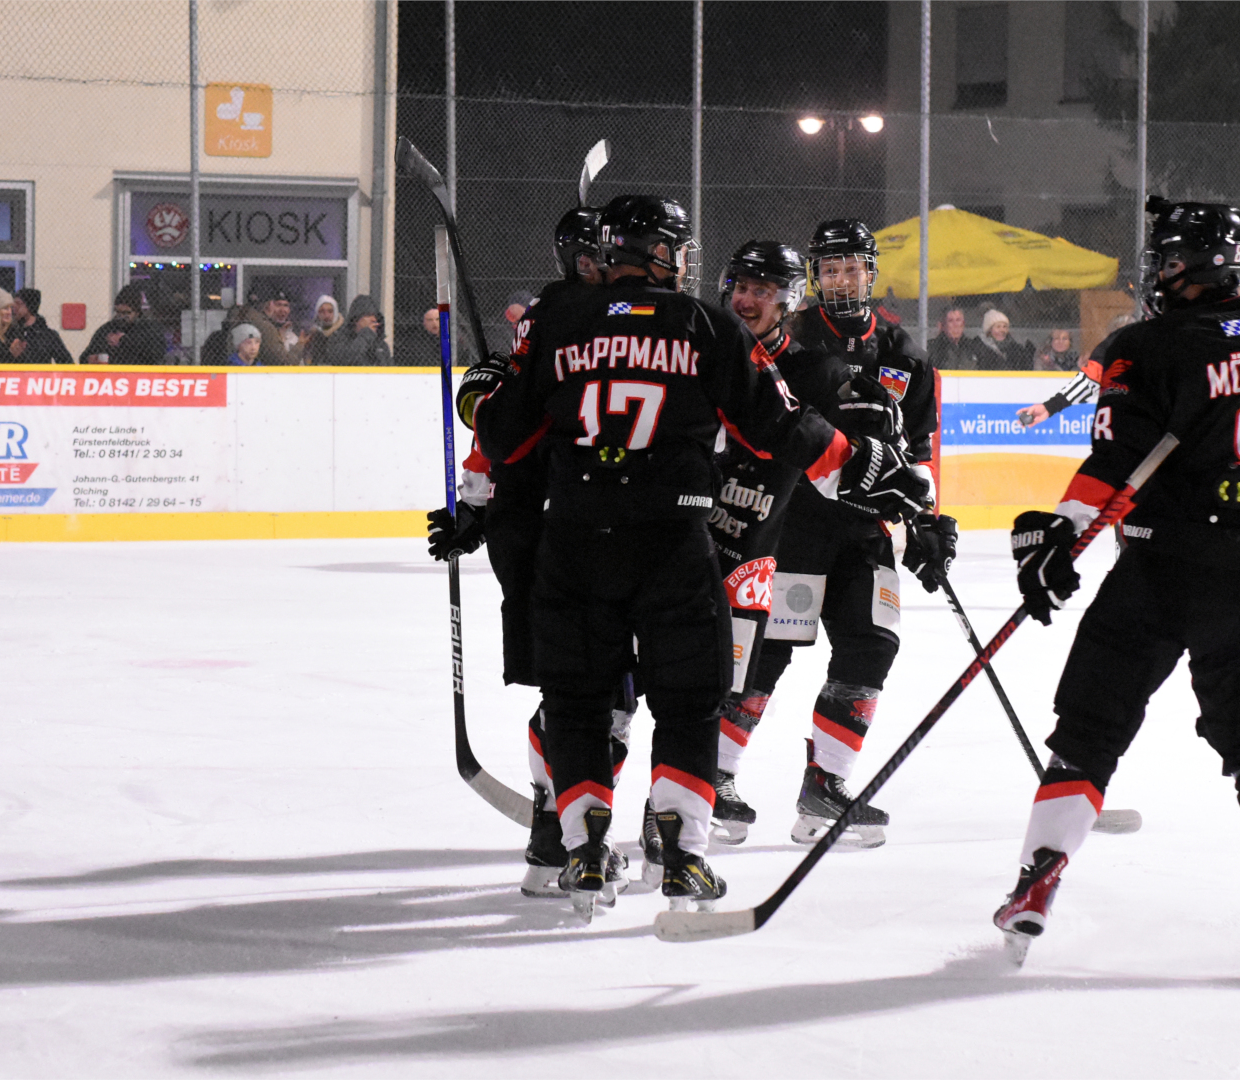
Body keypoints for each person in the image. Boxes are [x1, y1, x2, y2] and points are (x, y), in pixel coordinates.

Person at [465, 194, 928, 920]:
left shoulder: (556, 322)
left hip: (576, 539)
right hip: (675, 542)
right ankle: (682, 857)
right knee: (689, 701)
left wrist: (479, 401)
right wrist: (867, 468)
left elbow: (503, 442)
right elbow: (783, 427)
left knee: (584, 701)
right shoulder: (705, 326)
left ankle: (579, 849)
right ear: (664, 254)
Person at [995, 198, 1240, 966]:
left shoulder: (1148, 346)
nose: (1158, 271)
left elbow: (1112, 464)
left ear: (1189, 264)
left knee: (1086, 734)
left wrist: (1057, 534)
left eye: (1166, 258)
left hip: (1160, 571)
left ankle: (1039, 875)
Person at [431, 205, 630, 901]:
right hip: (562, 528)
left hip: (552, 526)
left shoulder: (558, 321)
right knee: (596, 691)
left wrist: (473, 502)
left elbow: (497, 426)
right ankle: (564, 834)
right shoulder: (572, 322)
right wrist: (476, 500)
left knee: (585, 689)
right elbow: (506, 428)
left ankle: (559, 833)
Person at [736, 218, 948, 850]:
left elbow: (921, 447)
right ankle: (712, 779)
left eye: (852, 267)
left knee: (872, 646)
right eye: (829, 270)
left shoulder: (903, 351)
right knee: (766, 653)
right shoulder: (789, 338)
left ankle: (825, 788)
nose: (841, 279)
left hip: (866, 530)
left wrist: (929, 520)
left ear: (871, 272)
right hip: (793, 525)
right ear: (813, 279)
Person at [700, 239, 813, 847]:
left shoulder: (809, 370)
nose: (745, 299)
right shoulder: (705, 347)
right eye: (740, 287)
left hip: (756, 552)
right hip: (686, 539)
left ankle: (711, 781)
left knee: (739, 676)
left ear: (787, 301)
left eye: (761, 292)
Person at [83, 285, 167, 365]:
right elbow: (85, 356)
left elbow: (157, 352)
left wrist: (123, 340)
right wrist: (90, 358)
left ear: (137, 313)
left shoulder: (149, 329)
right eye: (118, 312)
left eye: (126, 313)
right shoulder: (107, 329)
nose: (121, 317)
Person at [321, 295, 391, 367]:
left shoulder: (381, 345)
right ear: (356, 319)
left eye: (375, 316)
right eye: (368, 315)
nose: (374, 319)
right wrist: (366, 334)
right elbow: (345, 360)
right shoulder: (338, 340)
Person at [9, 288, 73, 365]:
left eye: (18, 304)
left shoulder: (48, 335)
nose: (14, 308)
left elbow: (66, 362)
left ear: (29, 306)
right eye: (13, 304)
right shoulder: (11, 332)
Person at [926, 305, 981, 370]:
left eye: (958, 320)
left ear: (963, 324)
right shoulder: (934, 348)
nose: (955, 325)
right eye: (950, 321)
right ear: (943, 325)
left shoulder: (973, 346)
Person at [300, 294, 347, 364]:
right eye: (322, 311)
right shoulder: (313, 335)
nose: (326, 315)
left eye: (330, 311)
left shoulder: (344, 333)